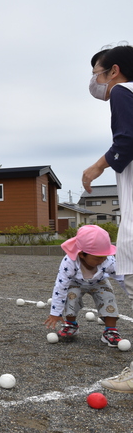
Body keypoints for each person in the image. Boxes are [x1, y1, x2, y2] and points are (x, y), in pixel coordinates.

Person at [82, 45, 133, 392]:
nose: (94, 80)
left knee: (130, 272)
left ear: (113, 71)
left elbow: (126, 140)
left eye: (97, 72)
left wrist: (96, 167)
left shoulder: (122, 92)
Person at [44, 225, 125, 347]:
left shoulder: (109, 261)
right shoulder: (69, 262)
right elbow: (60, 287)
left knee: (108, 297)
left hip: (100, 282)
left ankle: (110, 331)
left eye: (105, 256)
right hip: (76, 283)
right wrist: (55, 312)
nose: (103, 260)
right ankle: (71, 325)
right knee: (71, 295)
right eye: (98, 258)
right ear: (82, 254)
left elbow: (123, 279)